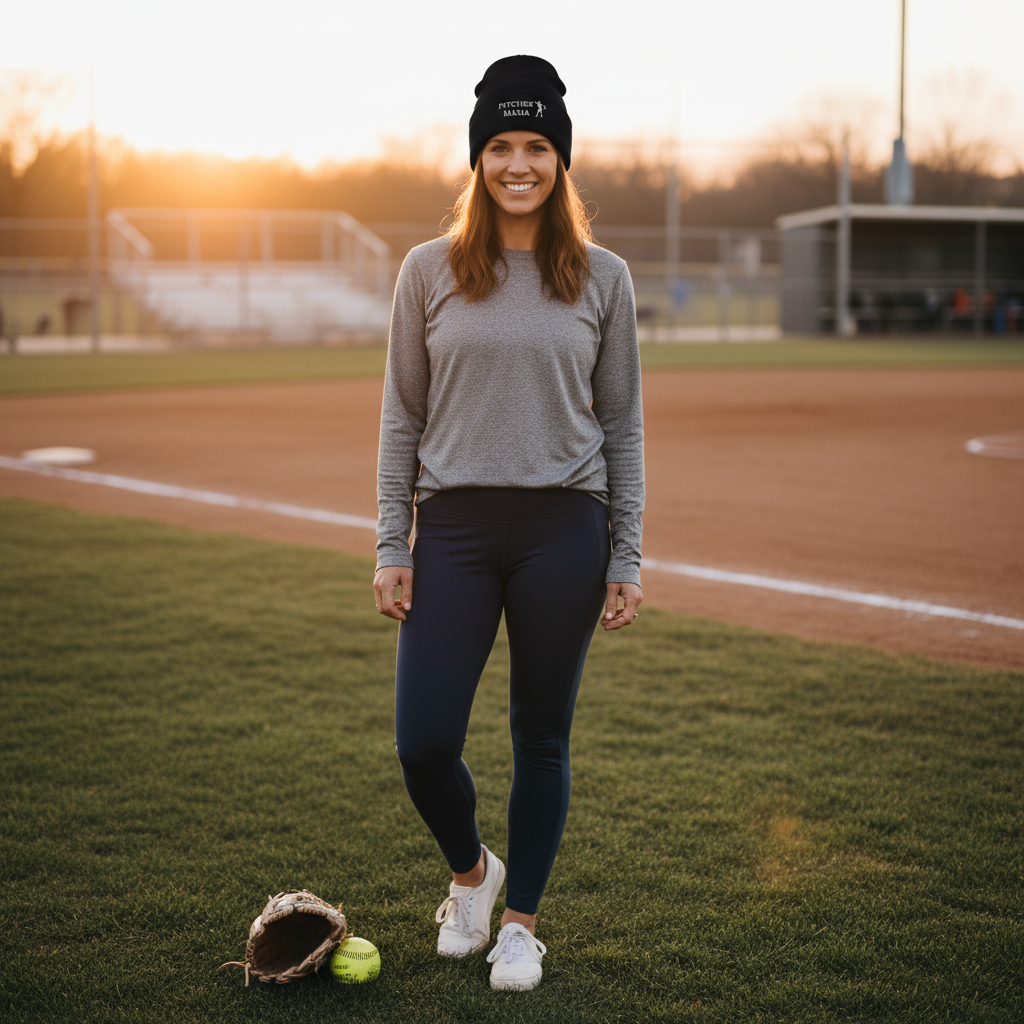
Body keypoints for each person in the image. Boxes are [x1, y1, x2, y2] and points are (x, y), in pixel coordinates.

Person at [373, 54, 644, 992]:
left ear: (560, 159)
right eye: (500, 146)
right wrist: (392, 540)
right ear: (477, 158)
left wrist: (626, 554)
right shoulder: (428, 269)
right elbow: (402, 416)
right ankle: (472, 876)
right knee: (422, 742)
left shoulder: (604, 277)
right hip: (451, 529)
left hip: (564, 530)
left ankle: (520, 924)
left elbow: (622, 425)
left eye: (536, 146)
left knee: (541, 736)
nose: (518, 164)